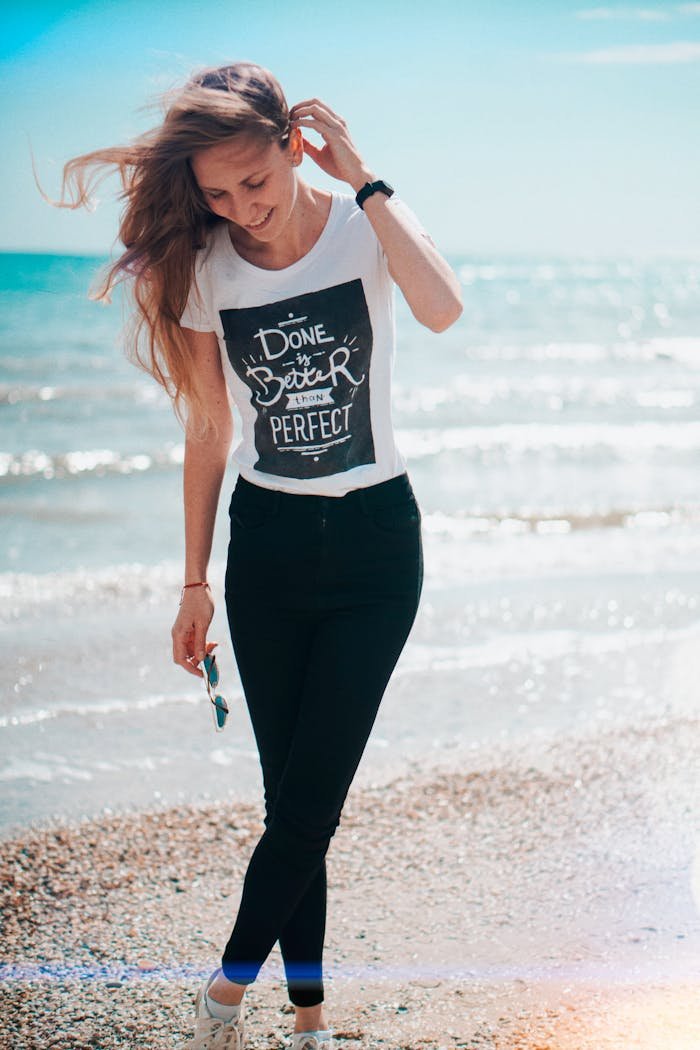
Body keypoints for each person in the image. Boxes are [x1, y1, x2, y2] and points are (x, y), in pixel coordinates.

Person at [52, 61, 462, 1050]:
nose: (243, 209)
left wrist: (364, 176)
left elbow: (443, 308)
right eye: (219, 195)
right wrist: (191, 582)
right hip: (265, 549)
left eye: (257, 184)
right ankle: (311, 1017)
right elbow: (207, 429)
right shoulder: (207, 269)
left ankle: (224, 995)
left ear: (294, 146)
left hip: (374, 548)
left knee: (309, 806)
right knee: (294, 805)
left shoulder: (366, 227)